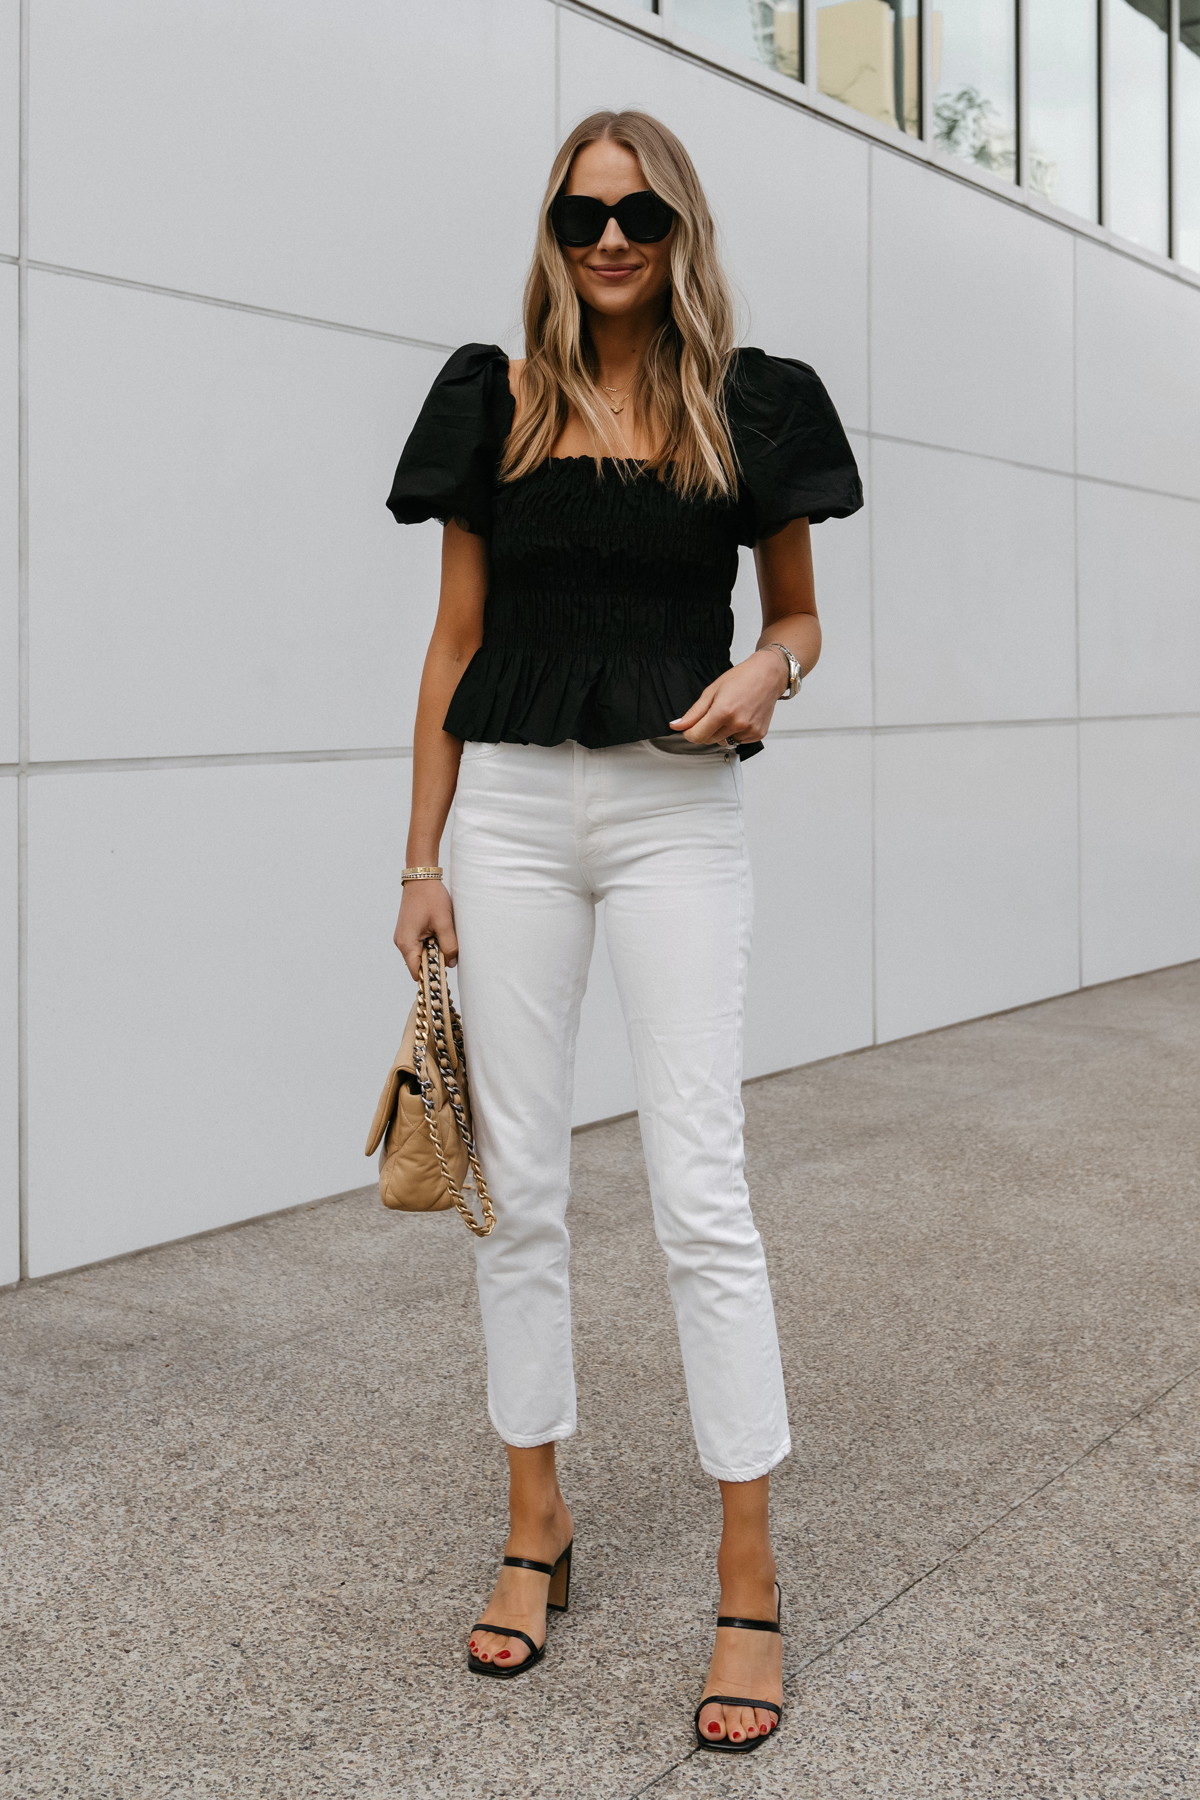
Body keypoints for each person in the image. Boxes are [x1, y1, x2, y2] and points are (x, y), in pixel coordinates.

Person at [387, 109, 861, 1752]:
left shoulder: (753, 403)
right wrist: (418, 862)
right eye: (584, 210)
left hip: (675, 813)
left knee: (699, 1187)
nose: (610, 236)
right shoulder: (494, 399)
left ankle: (749, 1564)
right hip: (510, 811)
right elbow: (455, 641)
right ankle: (539, 1523)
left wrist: (766, 675)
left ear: (680, 226)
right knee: (516, 1188)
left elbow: (799, 611)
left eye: (639, 211)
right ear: (554, 225)